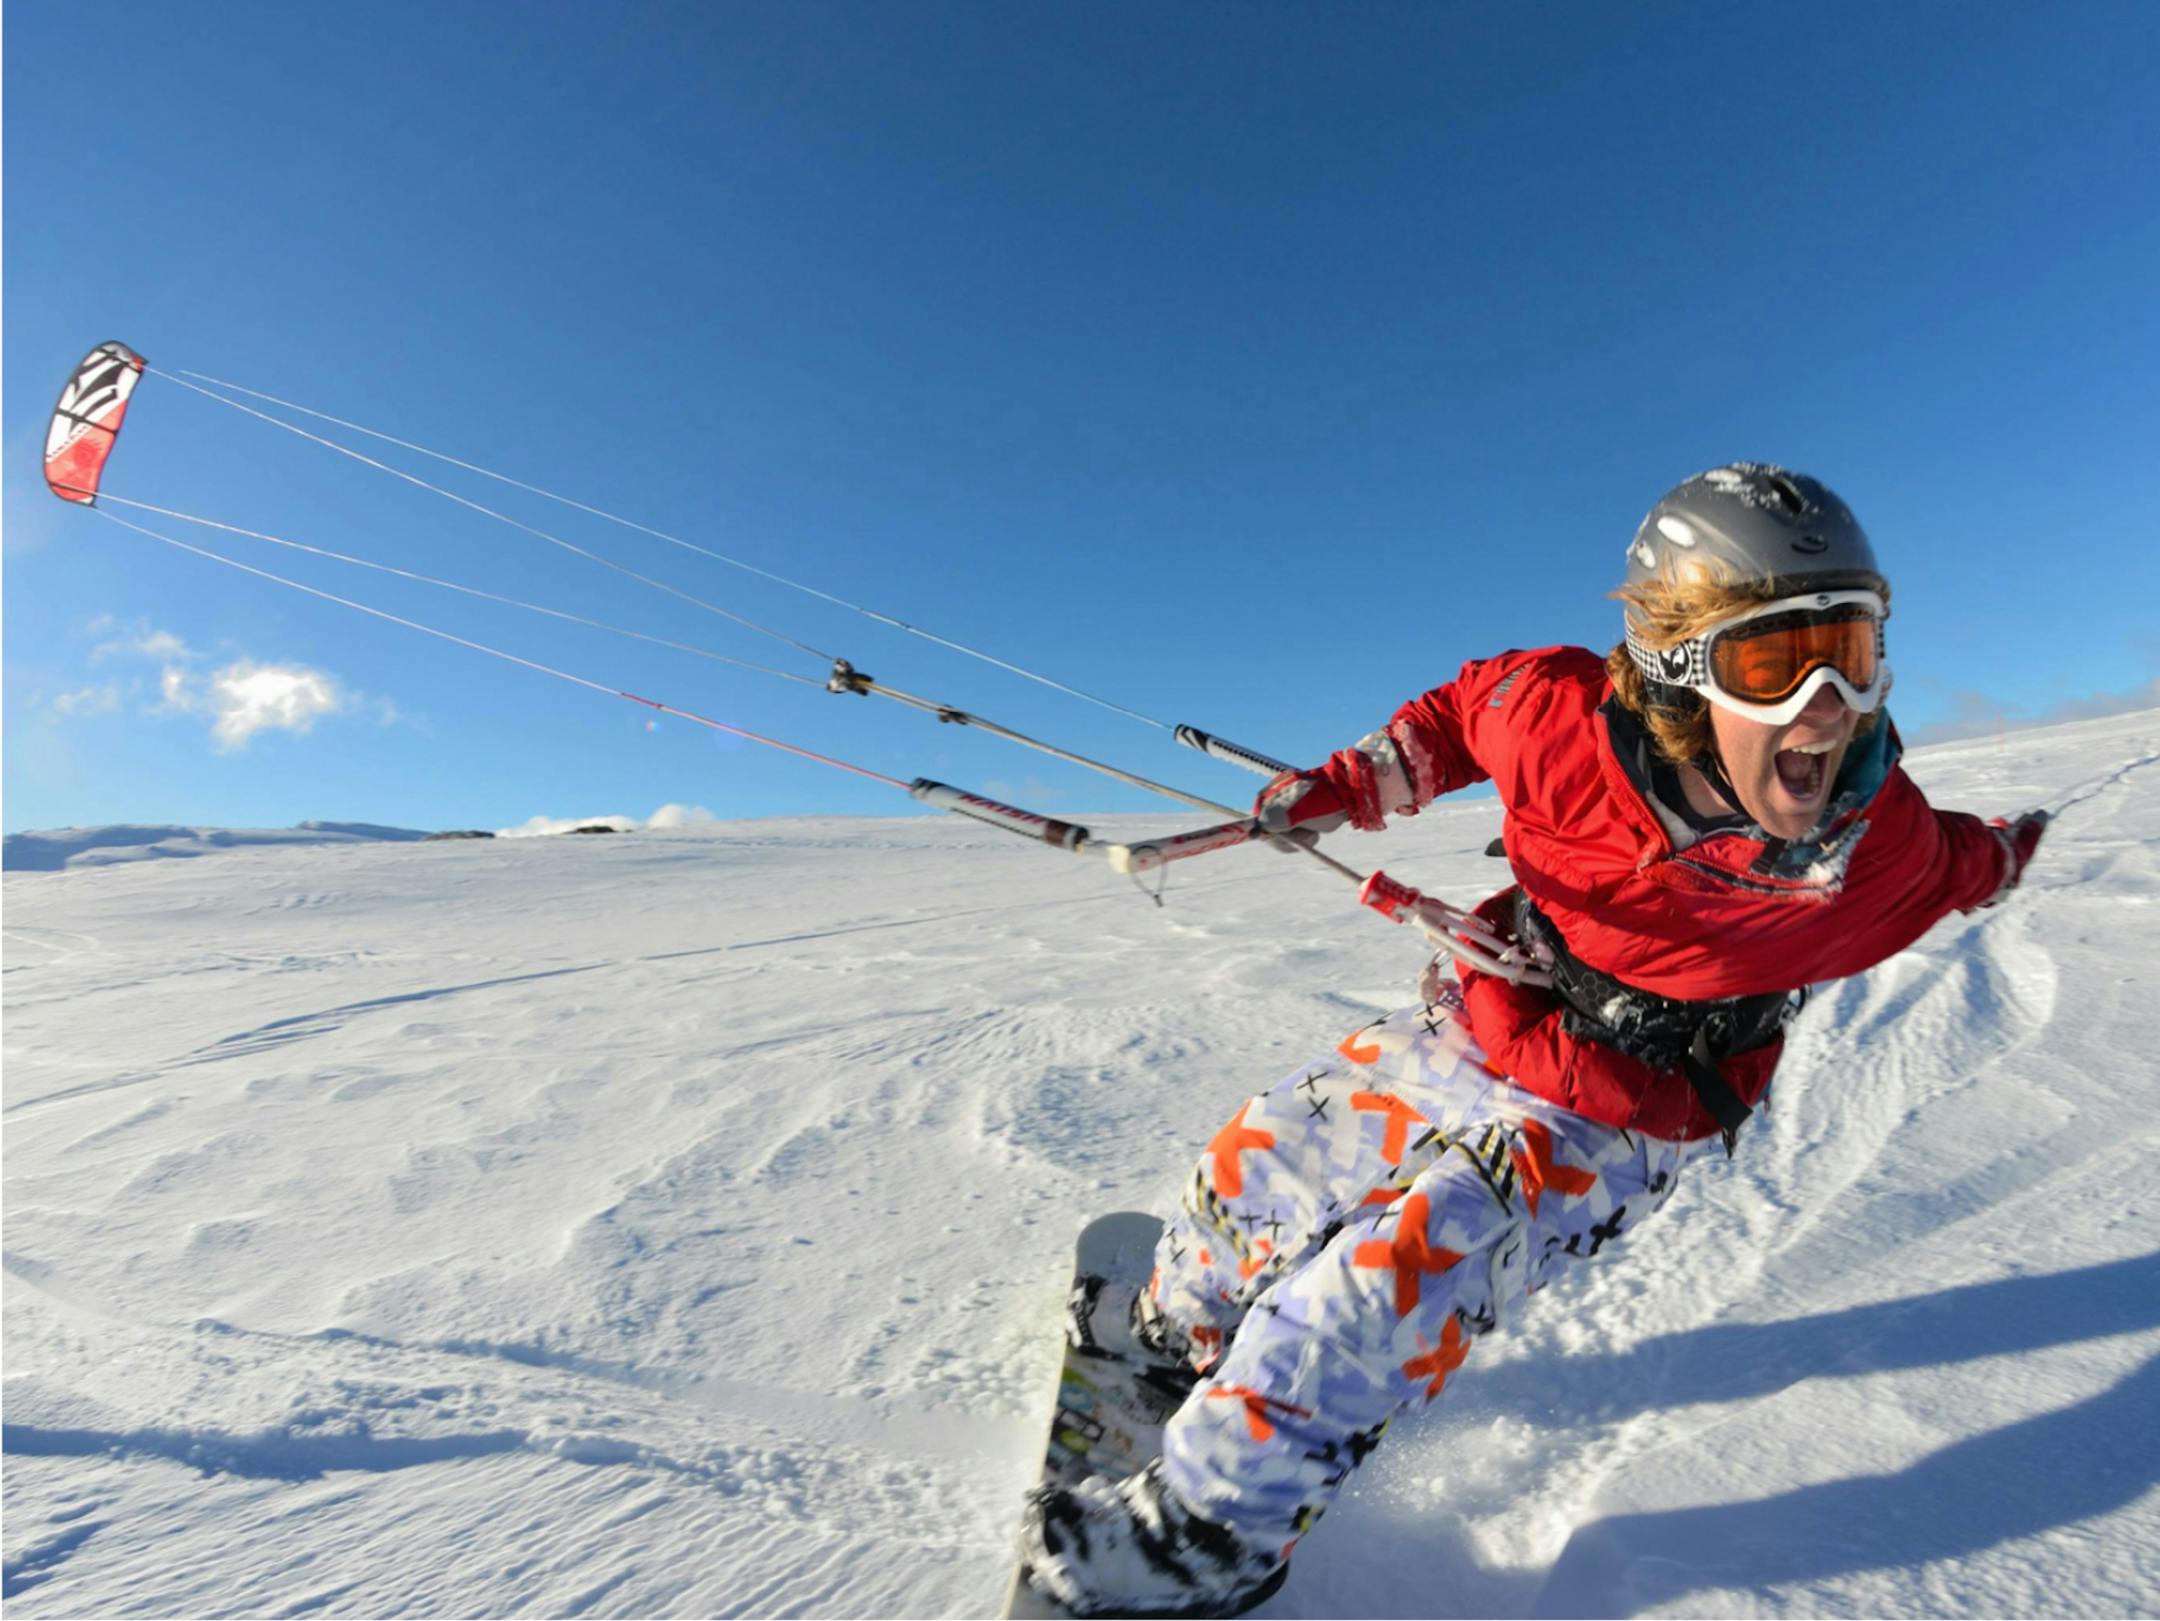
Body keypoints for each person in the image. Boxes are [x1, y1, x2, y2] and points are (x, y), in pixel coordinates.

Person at [1015, 463, 2050, 1618]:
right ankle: (1169, 1326)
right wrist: (1352, 785)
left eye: (1850, 651)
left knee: (1377, 1288)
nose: (1827, 703)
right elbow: (1459, 716)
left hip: (1625, 1108)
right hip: (1499, 1004)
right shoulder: (1558, 716)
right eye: (1773, 659)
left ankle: (1200, 1545)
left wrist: (2008, 852)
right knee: (1257, 1160)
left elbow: (1963, 862)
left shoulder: (1877, 844)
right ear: (1674, 661)